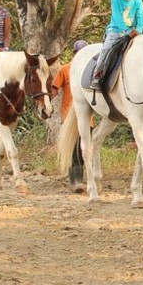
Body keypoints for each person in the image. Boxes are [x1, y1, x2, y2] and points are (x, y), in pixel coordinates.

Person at [90, 0, 143, 90]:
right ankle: (97, 75)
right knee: (106, 49)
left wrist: (138, 30)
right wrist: (127, 33)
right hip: (116, 32)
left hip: (133, 33)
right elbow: (118, 19)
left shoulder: (137, 0)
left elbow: (141, 18)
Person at [52, 39, 89, 189]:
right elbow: (54, 88)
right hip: (68, 117)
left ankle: (84, 177)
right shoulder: (65, 70)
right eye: (78, 52)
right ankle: (76, 180)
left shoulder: (90, 72)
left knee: (84, 148)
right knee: (73, 149)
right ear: (74, 54)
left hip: (87, 118)